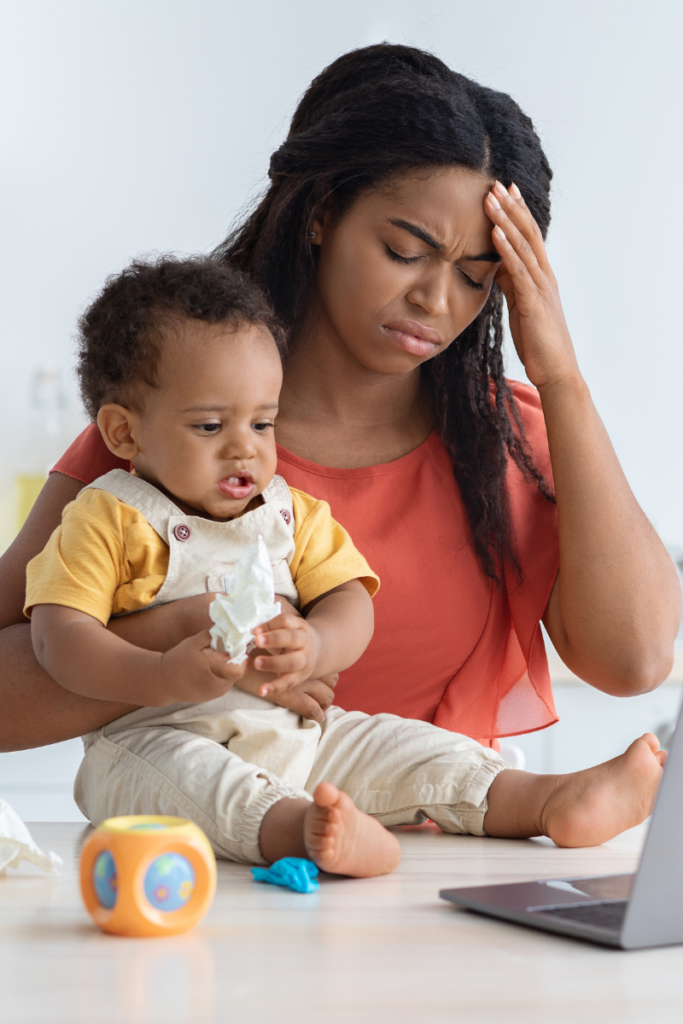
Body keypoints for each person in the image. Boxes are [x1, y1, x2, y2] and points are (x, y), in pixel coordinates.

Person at [1, 44, 679, 754]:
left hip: (433, 860)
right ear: (322, 212)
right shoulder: (173, 429)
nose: (434, 299)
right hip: (211, 856)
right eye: (404, 252)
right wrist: (183, 638)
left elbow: (633, 661)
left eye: (477, 277)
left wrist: (560, 377)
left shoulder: (502, 440)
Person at [25, 255, 668, 874]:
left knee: (407, 746)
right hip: (153, 737)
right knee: (199, 780)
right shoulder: (104, 517)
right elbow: (59, 640)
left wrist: (317, 642)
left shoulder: (288, 513)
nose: (243, 450)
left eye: (263, 423)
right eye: (211, 426)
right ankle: (305, 832)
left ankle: (547, 801)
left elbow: (350, 600)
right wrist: (161, 673)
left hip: (298, 735)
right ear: (123, 434)